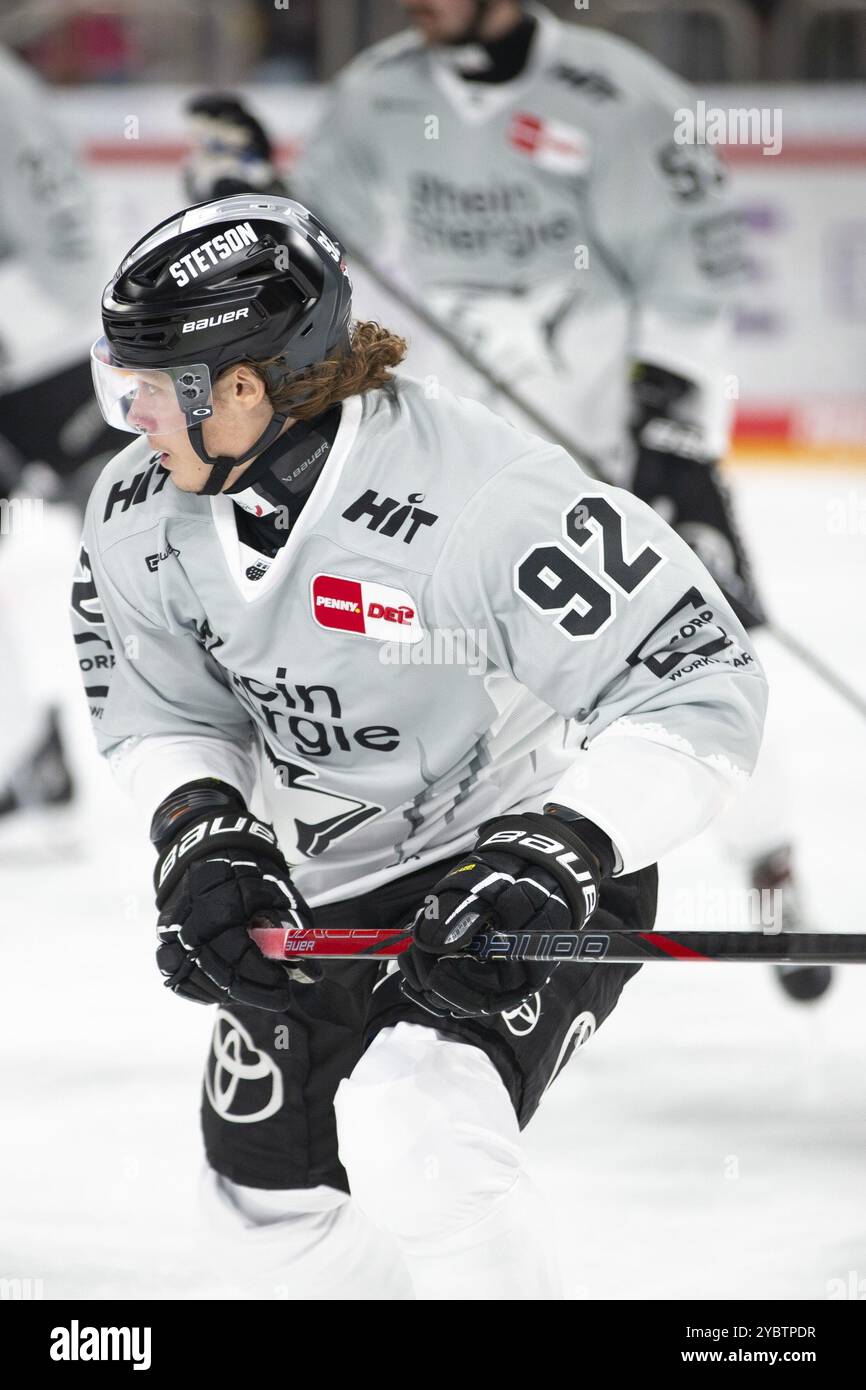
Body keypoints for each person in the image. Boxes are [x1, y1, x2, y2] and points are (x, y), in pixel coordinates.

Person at [72, 193, 766, 1299]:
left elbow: (696, 681)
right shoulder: (135, 509)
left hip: (516, 866)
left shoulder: (479, 494)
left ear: (243, 386)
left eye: (149, 390)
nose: (130, 420)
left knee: (415, 1119)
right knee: (259, 1206)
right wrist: (203, 831)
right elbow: (163, 707)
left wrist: (562, 849)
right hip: (316, 892)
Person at [184, 0, 826, 1001]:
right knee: (451, 659)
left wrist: (670, 428)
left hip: (608, 439)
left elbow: (689, 266)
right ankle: (460, 870)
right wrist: (247, 197)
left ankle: (767, 850)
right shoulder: (380, 92)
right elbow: (317, 238)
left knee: (692, 643)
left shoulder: (615, 96)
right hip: (465, 455)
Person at [0, 43, 123, 833]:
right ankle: (19, 752)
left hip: (49, 361)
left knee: (141, 543)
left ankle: (282, 724)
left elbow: (71, 233)